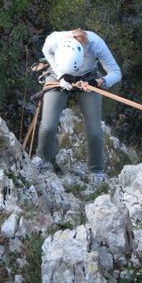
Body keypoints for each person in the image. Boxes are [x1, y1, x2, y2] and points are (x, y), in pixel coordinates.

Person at [35, 28, 121, 181]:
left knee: (94, 130)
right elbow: (46, 52)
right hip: (58, 75)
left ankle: (96, 171)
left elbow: (115, 72)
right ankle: (43, 160)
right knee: (48, 125)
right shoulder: (54, 40)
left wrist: (98, 82)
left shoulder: (96, 44)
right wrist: (61, 76)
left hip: (88, 78)